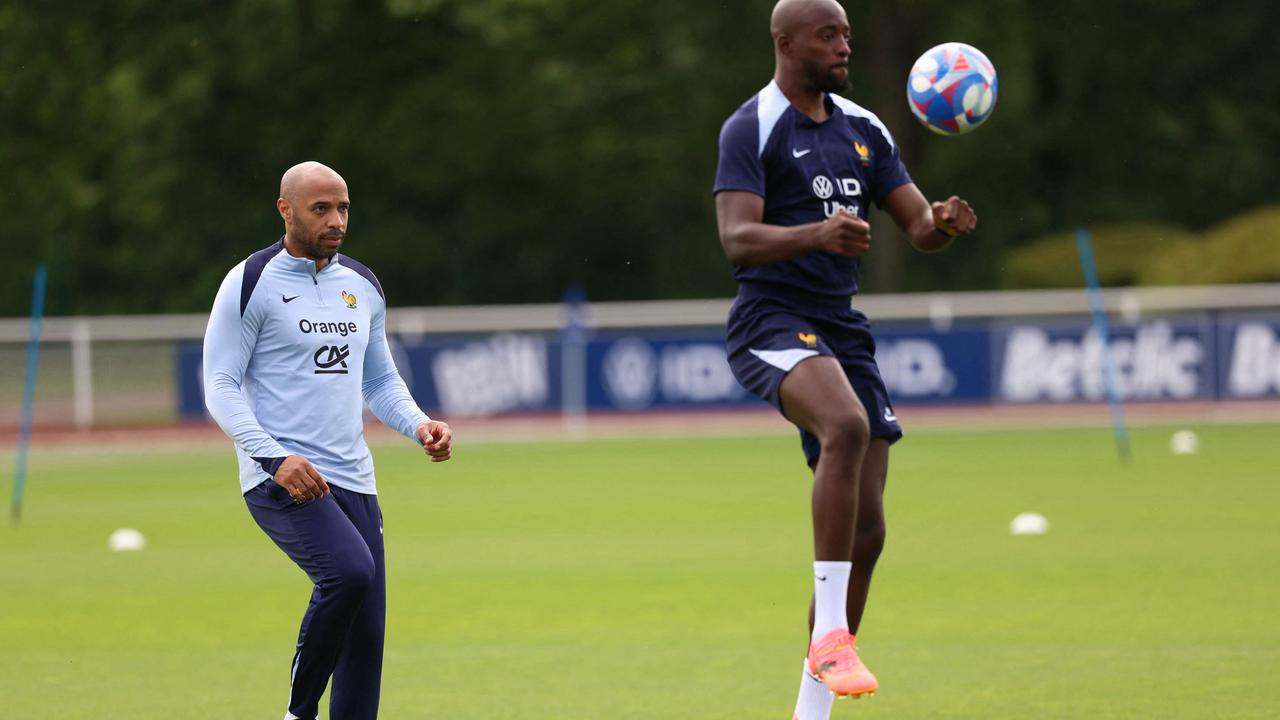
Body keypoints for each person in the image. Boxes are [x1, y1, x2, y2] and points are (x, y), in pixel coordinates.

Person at [713, 1, 977, 717]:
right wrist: (815, 234)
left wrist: (942, 224)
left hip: (840, 329)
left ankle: (810, 710)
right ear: (785, 41)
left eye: (847, 34)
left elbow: (915, 222)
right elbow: (737, 238)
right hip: (770, 318)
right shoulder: (753, 125)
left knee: (870, 530)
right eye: (828, 34)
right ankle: (831, 633)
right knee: (847, 427)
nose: (843, 45)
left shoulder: (867, 129)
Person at [202, 161, 452, 720]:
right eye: (321, 209)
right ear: (285, 210)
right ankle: (298, 713)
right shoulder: (250, 281)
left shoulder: (361, 285)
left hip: (355, 481)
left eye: (342, 208)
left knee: (366, 642)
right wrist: (271, 457)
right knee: (348, 573)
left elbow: (381, 380)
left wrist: (419, 424)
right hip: (283, 478)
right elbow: (219, 384)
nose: (335, 220)